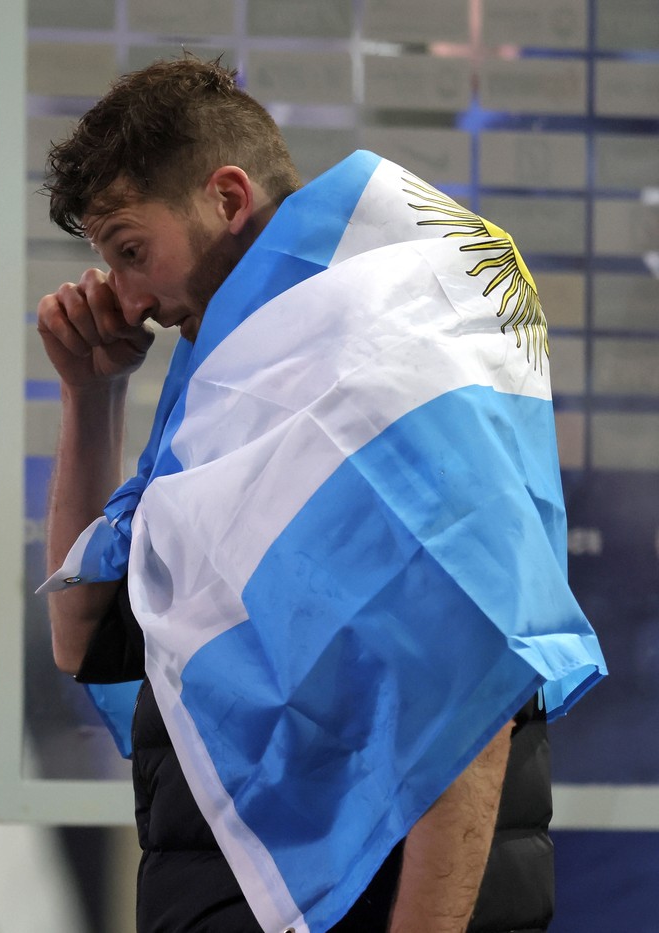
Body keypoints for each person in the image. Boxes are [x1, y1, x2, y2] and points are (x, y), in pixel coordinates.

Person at [35, 57, 601, 932]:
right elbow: (85, 635)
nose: (129, 299)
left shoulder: (385, 366)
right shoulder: (235, 392)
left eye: (133, 252)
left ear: (227, 198)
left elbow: (470, 686)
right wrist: (92, 392)